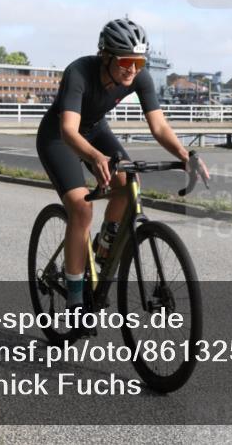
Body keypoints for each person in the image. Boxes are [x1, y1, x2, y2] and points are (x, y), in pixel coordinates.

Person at [37, 18, 209, 310]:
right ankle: (76, 297)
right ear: (106, 56)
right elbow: (69, 130)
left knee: (129, 183)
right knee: (82, 207)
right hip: (59, 137)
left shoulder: (137, 77)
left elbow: (159, 127)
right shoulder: (79, 72)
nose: (133, 68)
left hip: (95, 130)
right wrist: (94, 156)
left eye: (139, 62)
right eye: (126, 60)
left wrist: (185, 155)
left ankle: (104, 249)